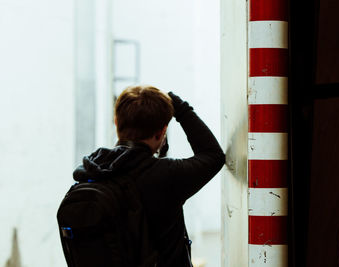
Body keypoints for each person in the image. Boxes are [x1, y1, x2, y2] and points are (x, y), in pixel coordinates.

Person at [72, 85, 225, 266]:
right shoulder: (166, 175)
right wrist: (181, 109)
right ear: (161, 133)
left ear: (116, 122)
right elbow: (213, 155)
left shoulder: (91, 172)